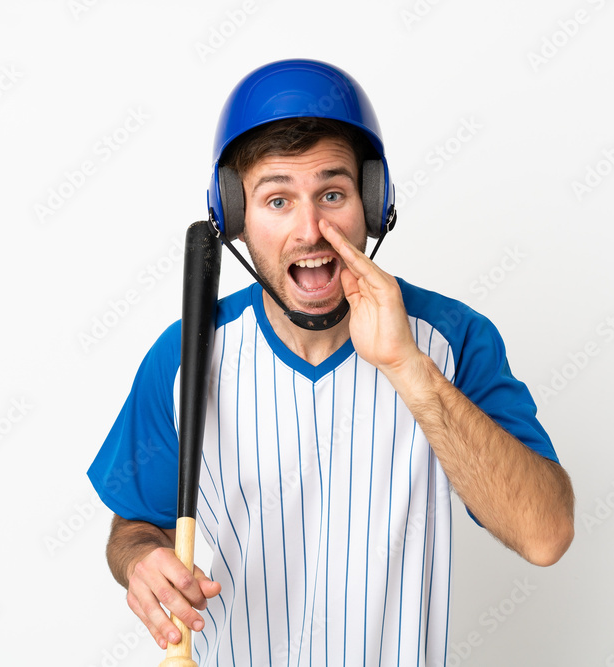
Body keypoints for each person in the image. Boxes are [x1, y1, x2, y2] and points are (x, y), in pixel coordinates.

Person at [88, 58, 574, 666]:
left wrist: (408, 368)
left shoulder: (454, 340)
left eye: (333, 193)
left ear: (372, 202)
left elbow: (546, 533)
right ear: (235, 217)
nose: (310, 229)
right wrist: (139, 560)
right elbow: (134, 523)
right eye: (277, 200)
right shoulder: (186, 354)